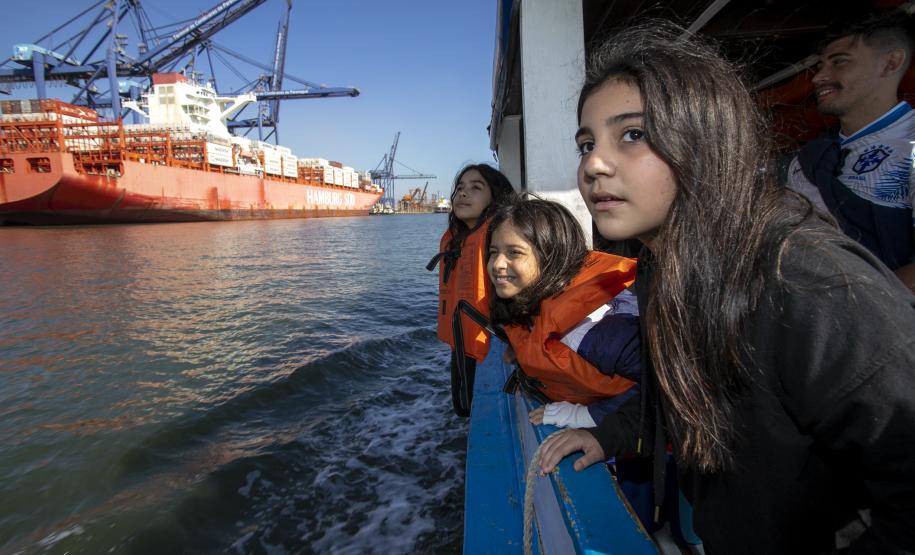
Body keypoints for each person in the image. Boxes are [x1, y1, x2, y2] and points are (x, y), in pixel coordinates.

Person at [537, 21, 915, 554]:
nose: (594, 165)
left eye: (634, 134)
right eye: (586, 143)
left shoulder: (809, 284)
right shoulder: (664, 267)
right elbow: (678, 396)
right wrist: (609, 437)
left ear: (705, 138)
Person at [486, 198, 663, 531]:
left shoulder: (590, 330)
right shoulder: (532, 305)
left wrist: (587, 416)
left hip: (645, 443)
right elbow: (533, 335)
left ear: (551, 257)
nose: (497, 264)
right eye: (493, 252)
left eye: (514, 253)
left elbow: (665, 384)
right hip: (625, 431)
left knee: (635, 523)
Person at [786, 9, 915, 292]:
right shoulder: (806, 158)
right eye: (821, 65)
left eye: (839, 62)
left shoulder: (910, 146)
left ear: (891, 63)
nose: (819, 77)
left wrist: (853, 310)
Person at [427, 164, 516, 417]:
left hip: (491, 347)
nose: (462, 194)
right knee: (463, 407)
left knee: (479, 410)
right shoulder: (457, 238)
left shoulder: (500, 237)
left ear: (495, 196)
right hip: (462, 340)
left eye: (476, 187)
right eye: (459, 188)